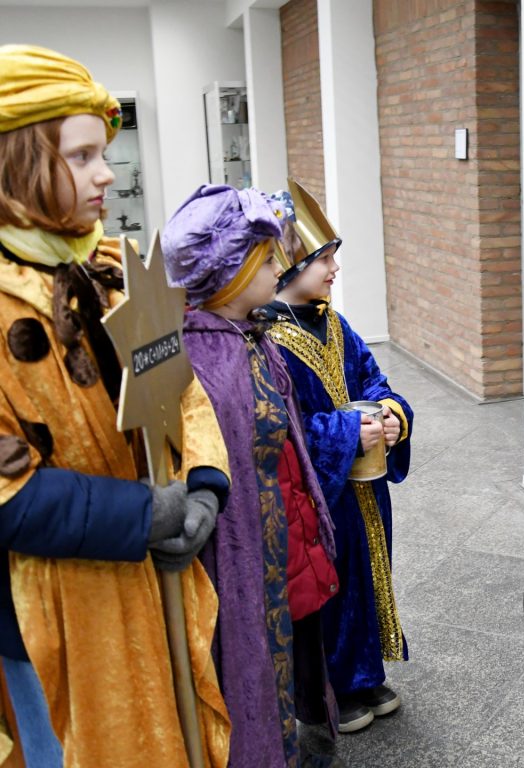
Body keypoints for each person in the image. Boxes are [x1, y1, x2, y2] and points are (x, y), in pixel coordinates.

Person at [0, 45, 230, 766]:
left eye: (105, 152)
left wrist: (202, 486)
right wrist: (141, 515)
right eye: (81, 156)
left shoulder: (117, 265)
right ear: (15, 163)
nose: (107, 173)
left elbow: (181, 388)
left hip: (153, 578)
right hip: (54, 608)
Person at [162, 184, 340, 768]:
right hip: (241, 548)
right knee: (249, 659)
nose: (277, 268)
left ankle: (288, 742)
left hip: (279, 532)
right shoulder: (203, 356)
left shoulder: (253, 337)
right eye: (265, 260)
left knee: (282, 650)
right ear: (230, 273)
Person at [264, 183, 413, 733]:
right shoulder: (270, 341)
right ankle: (333, 684)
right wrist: (351, 427)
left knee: (371, 572)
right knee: (332, 579)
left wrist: (393, 412)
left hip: (364, 486)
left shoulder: (334, 323)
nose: (334, 269)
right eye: (324, 258)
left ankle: (365, 671)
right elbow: (285, 428)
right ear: (288, 263)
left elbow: (372, 378)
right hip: (320, 491)